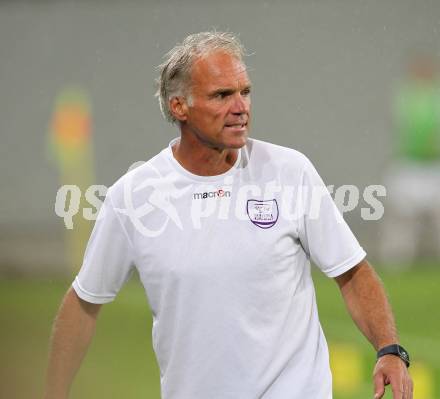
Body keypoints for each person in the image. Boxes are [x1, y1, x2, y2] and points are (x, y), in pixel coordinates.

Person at [45, 31, 413, 399]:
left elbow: (352, 272)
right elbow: (84, 302)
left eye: (245, 92)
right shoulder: (134, 196)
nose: (241, 107)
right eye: (222, 95)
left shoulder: (290, 171)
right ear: (179, 107)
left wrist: (389, 350)